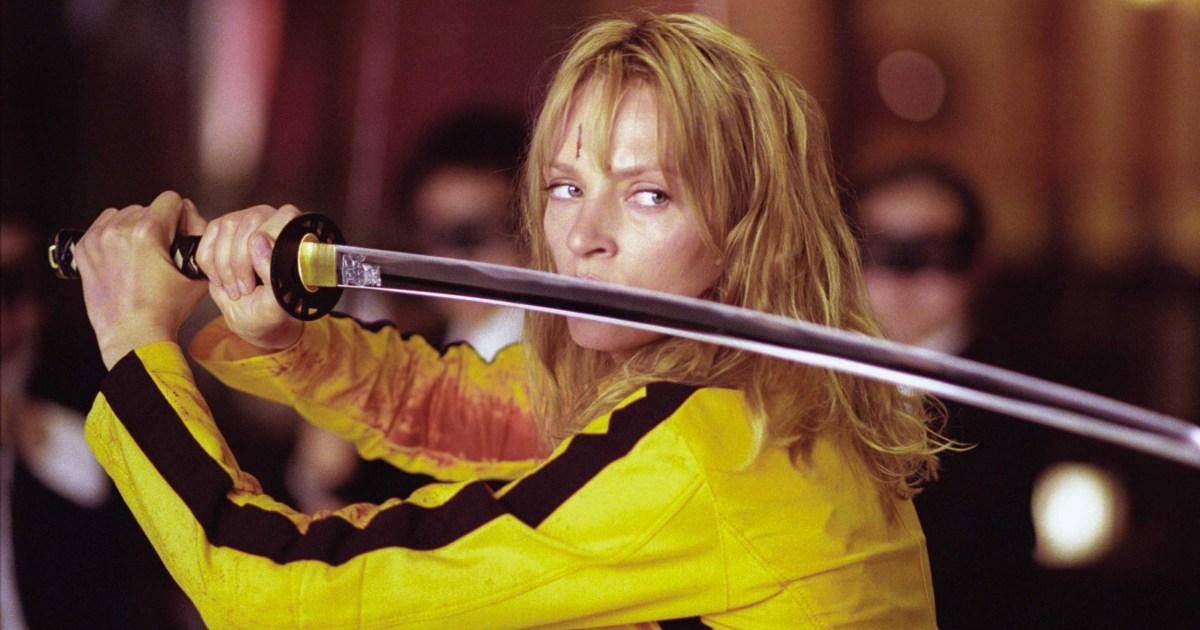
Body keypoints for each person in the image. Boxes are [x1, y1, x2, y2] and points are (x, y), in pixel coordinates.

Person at [73, 14, 947, 627]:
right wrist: (282, 338)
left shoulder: (707, 455)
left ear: (749, 230)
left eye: (648, 193)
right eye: (566, 186)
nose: (584, 234)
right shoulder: (732, 383)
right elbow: (457, 411)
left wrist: (135, 344)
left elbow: (273, 590)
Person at [853, 160, 1046, 627]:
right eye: (880, 249)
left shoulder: (1012, 395)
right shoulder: (811, 384)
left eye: (935, 252)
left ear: (977, 264)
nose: (902, 277)